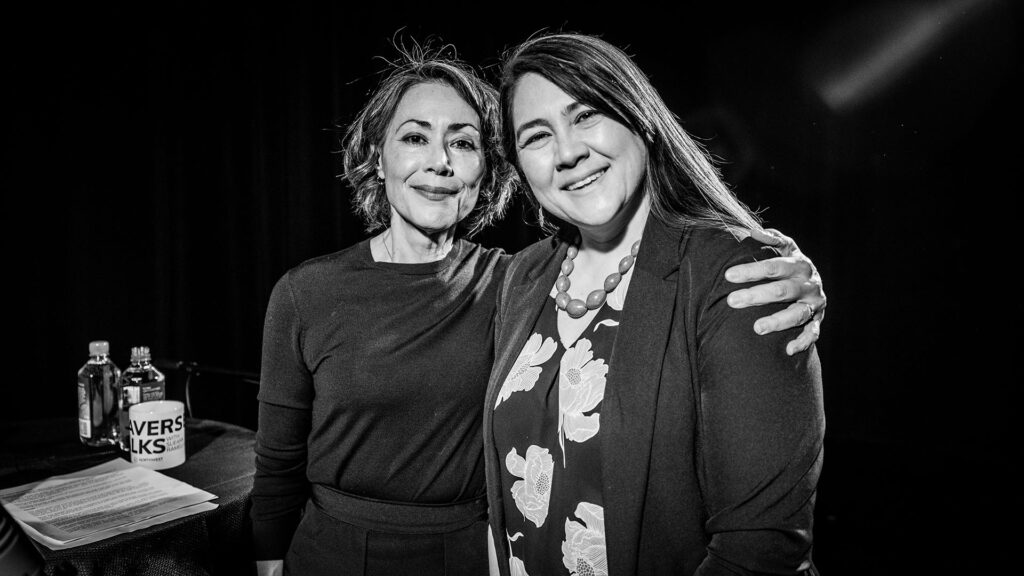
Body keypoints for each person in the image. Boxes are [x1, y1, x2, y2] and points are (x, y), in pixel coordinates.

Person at [251, 43, 825, 576]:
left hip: (467, 553)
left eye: (463, 142)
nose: (439, 162)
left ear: (489, 170)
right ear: (377, 157)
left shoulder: (510, 278)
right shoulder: (315, 292)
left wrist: (791, 269)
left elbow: (762, 541)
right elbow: (277, 460)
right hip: (339, 552)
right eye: (414, 138)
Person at [484, 33, 826, 576]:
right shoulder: (523, 276)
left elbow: (760, 551)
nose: (568, 152)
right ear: (520, 165)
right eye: (537, 136)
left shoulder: (735, 275)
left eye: (587, 114)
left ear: (639, 115)